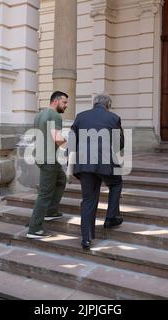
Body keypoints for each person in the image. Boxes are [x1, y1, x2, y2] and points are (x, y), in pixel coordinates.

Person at [68, 93, 124, 250]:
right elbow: (119, 143)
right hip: (105, 162)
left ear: (94, 104)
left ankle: (86, 238)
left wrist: (71, 164)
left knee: (88, 199)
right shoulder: (114, 118)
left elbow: (72, 141)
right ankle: (111, 217)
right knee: (116, 184)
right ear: (108, 105)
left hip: (84, 164)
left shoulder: (80, 116)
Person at [27, 91, 69, 239]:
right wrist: (70, 145)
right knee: (45, 193)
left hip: (41, 156)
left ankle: (51, 211)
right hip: (48, 159)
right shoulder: (55, 116)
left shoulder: (39, 115)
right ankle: (35, 228)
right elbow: (57, 138)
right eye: (64, 103)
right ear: (56, 101)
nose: (66, 106)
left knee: (61, 180)